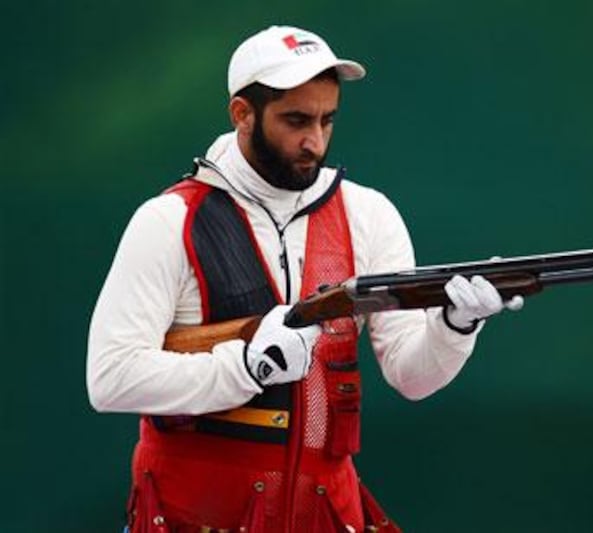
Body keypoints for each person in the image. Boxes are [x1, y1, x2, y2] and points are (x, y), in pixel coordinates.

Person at [87, 25, 521, 533]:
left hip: (324, 513)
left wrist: (455, 326)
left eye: (327, 120)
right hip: (195, 514)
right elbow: (110, 380)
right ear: (242, 114)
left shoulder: (369, 215)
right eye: (296, 120)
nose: (314, 140)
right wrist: (246, 367)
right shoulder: (167, 221)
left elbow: (412, 377)